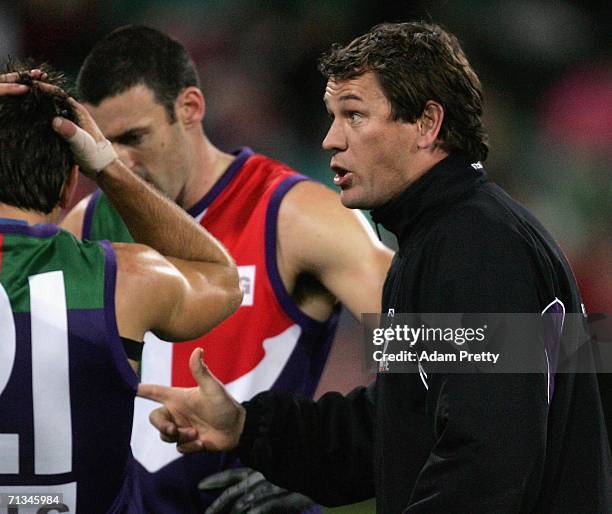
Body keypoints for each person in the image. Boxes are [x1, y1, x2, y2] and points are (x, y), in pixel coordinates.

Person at [138, 21, 612, 513]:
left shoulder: (476, 245)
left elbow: (489, 457)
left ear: (427, 124)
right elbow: (389, 426)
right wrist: (243, 425)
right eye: (331, 116)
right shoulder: (436, 240)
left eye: (354, 115)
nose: (331, 140)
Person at [60, 25, 392, 513]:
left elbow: (459, 353)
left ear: (190, 108)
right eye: (104, 148)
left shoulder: (294, 216)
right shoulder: (85, 227)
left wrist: (325, 466)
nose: (121, 166)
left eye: (135, 138)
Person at [0, 64, 241, 513]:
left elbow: (406, 350)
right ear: (72, 180)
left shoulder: (301, 208)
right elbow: (221, 280)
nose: (333, 138)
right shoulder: (304, 213)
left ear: (191, 108)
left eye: (353, 114)